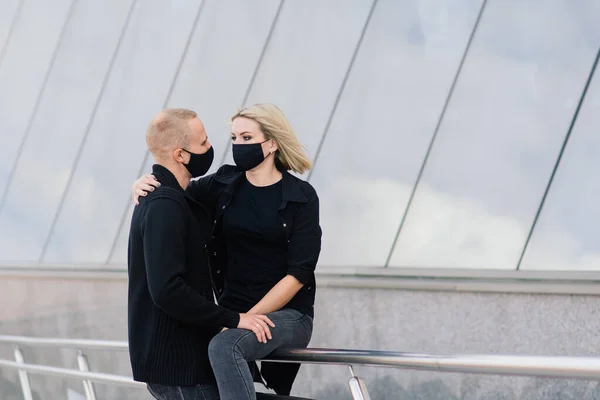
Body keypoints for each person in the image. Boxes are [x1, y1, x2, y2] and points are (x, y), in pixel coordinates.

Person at [132, 104, 321, 399]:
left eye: (246, 138)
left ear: (271, 143)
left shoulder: (301, 197)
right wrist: (144, 182)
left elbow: (298, 274)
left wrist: (245, 318)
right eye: (233, 138)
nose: (236, 146)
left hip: (286, 312)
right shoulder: (222, 185)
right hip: (234, 314)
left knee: (225, 345)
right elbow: (174, 193)